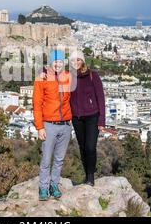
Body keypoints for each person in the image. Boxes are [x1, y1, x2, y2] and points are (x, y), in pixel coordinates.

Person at [32, 49, 72, 201]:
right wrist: (39, 127)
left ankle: (54, 185)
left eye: (60, 61)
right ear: (50, 62)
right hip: (49, 124)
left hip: (66, 124)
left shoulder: (68, 77)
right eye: (55, 61)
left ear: (64, 63)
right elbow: (37, 103)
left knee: (59, 159)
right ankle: (43, 187)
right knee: (46, 159)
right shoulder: (41, 78)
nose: (58, 64)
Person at [69, 50, 105, 186]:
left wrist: (102, 120)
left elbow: (100, 98)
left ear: (83, 61)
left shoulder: (92, 75)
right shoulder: (69, 77)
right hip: (76, 117)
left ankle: (91, 177)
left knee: (90, 147)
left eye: (78, 60)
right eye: (73, 60)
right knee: (82, 147)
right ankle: (86, 175)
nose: (75, 63)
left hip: (92, 116)